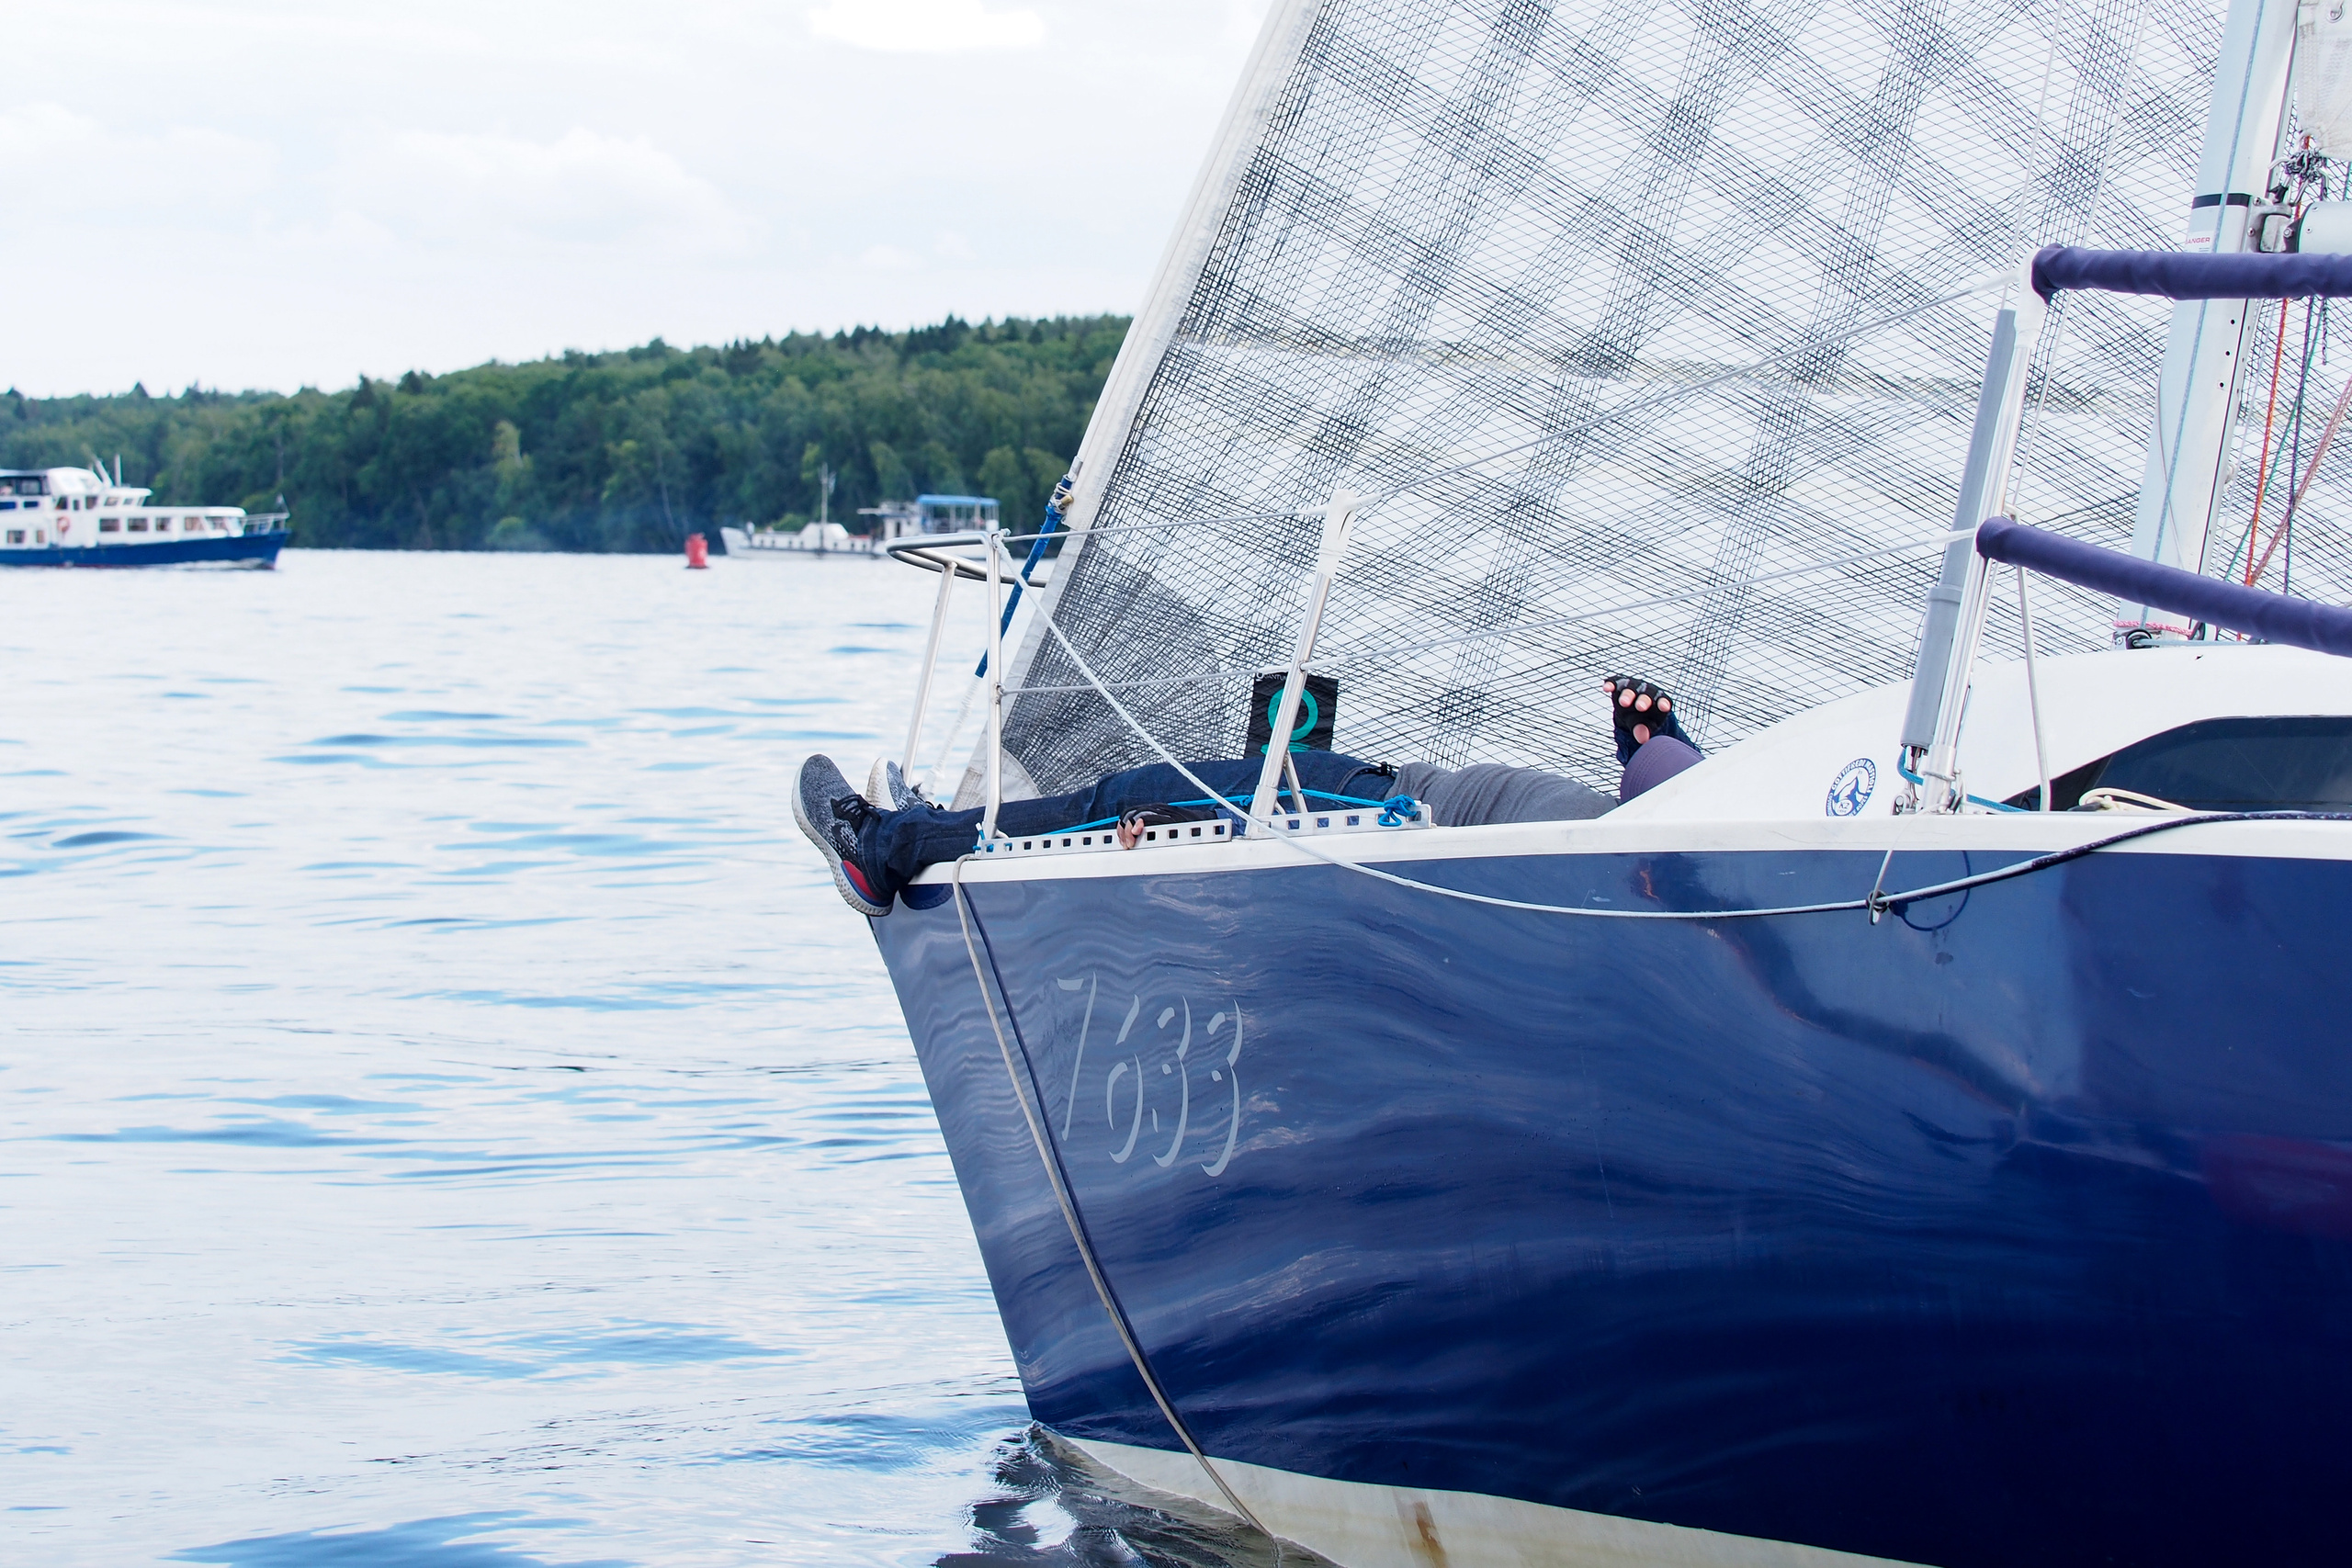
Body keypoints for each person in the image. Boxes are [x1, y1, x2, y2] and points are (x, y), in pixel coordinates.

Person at [795, 675, 1700, 916]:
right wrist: (1646, 755)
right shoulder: (1667, 835)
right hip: (1377, 799)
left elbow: (1675, 808)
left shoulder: (1681, 846)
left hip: (1377, 813)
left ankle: (889, 845)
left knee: (1131, 797)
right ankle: (920, 827)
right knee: (1143, 794)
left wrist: (1658, 756)